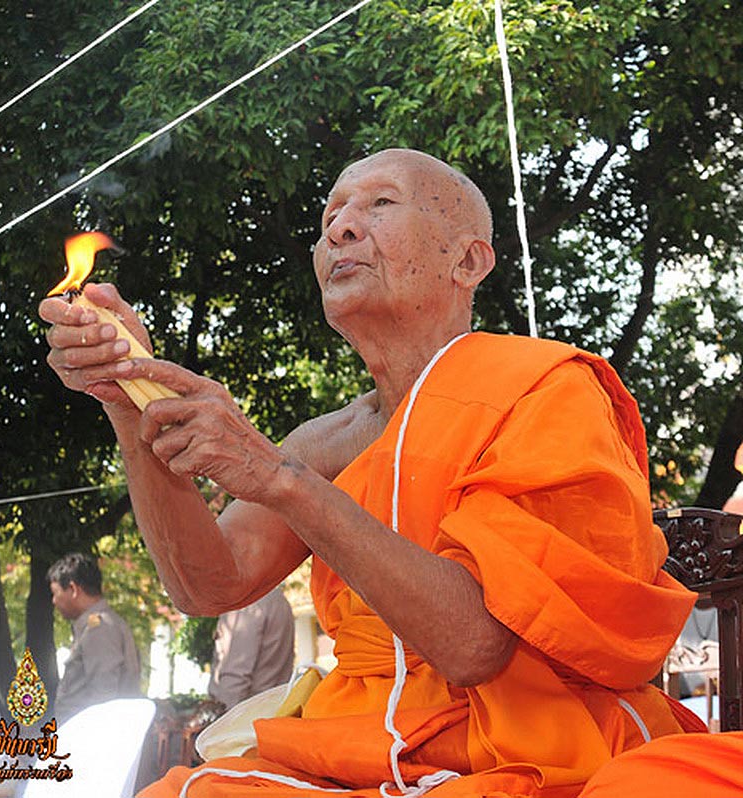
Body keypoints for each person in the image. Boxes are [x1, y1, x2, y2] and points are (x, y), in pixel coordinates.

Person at [39, 148, 741, 798]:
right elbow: (207, 583)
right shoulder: (323, 442)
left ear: (468, 261)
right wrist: (130, 403)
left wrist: (282, 480)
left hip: (528, 739)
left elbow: (477, 644)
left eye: (379, 205)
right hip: (359, 737)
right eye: (329, 217)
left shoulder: (545, 390)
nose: (341, 228)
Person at [47, 552, 141, 721]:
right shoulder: (97, 625)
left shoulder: (100, 628)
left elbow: (103, 700)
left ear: (74, 589)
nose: (54, 601)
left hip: (90, 740)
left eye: (56, 593)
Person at [209, 586, 295, 711]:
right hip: (272, 712)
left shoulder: (246, 603)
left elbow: (235, 678)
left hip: (245, 719)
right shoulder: (278, 599)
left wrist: (221, 724)